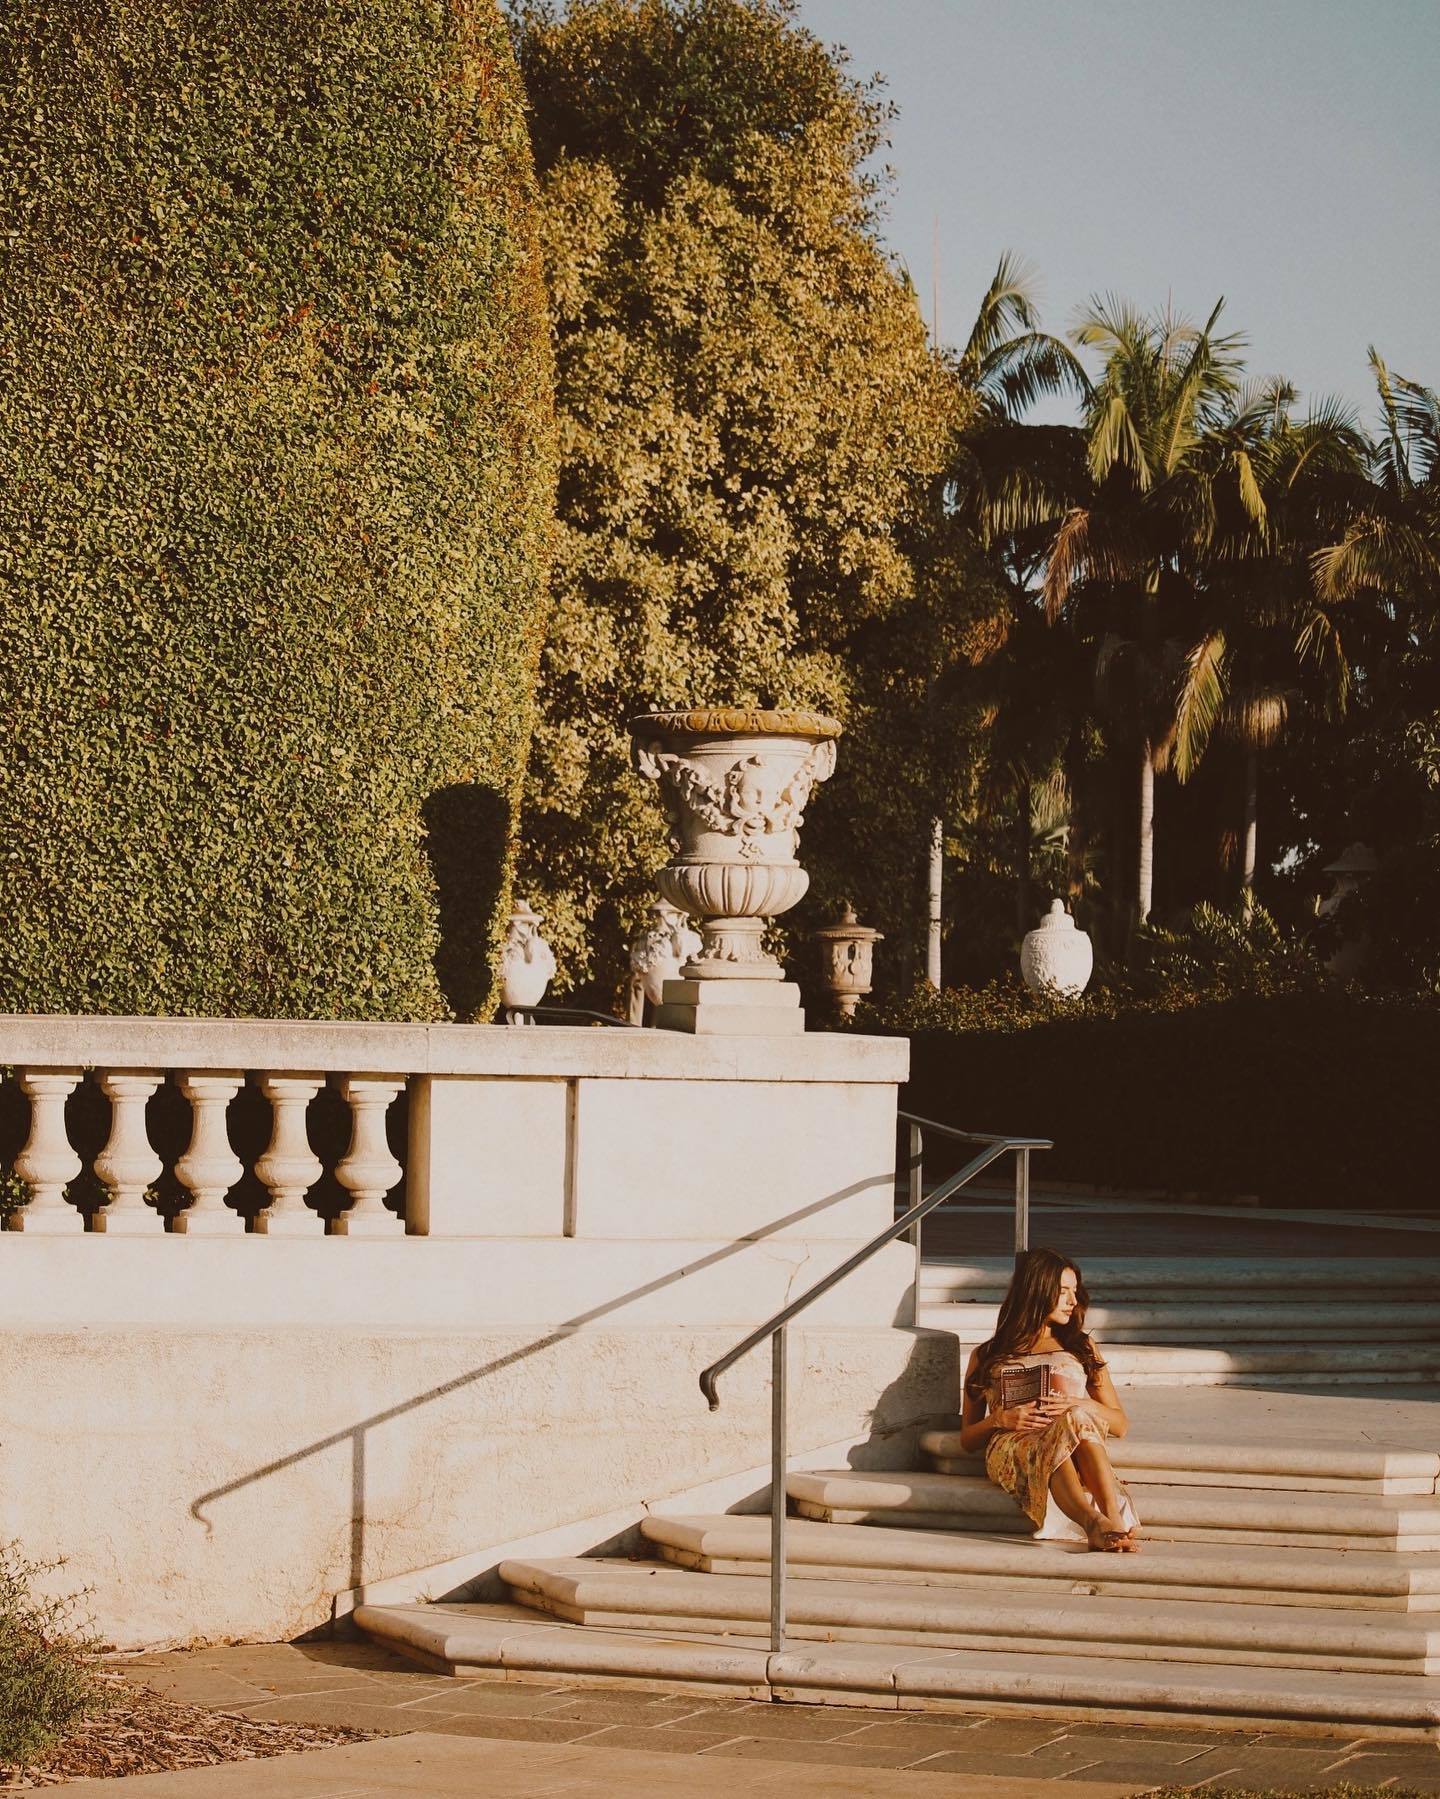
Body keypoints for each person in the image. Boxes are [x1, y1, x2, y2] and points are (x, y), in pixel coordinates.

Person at [958, 1246, 1140, 1552]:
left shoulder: (1081, 1346)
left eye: (1075, 1291)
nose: (1073, 1301)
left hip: (1069, 1434)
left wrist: (1080, 1404)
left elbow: (1120, 1424)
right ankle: (1094, 1523)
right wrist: (999, 1419)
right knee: (1050, 1440)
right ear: (1037, 1291)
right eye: (1063, 1292)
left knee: (1076, 1418)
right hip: (1013, 1444)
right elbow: (967, 1440)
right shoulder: (987, 1354)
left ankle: (1110, 1519)